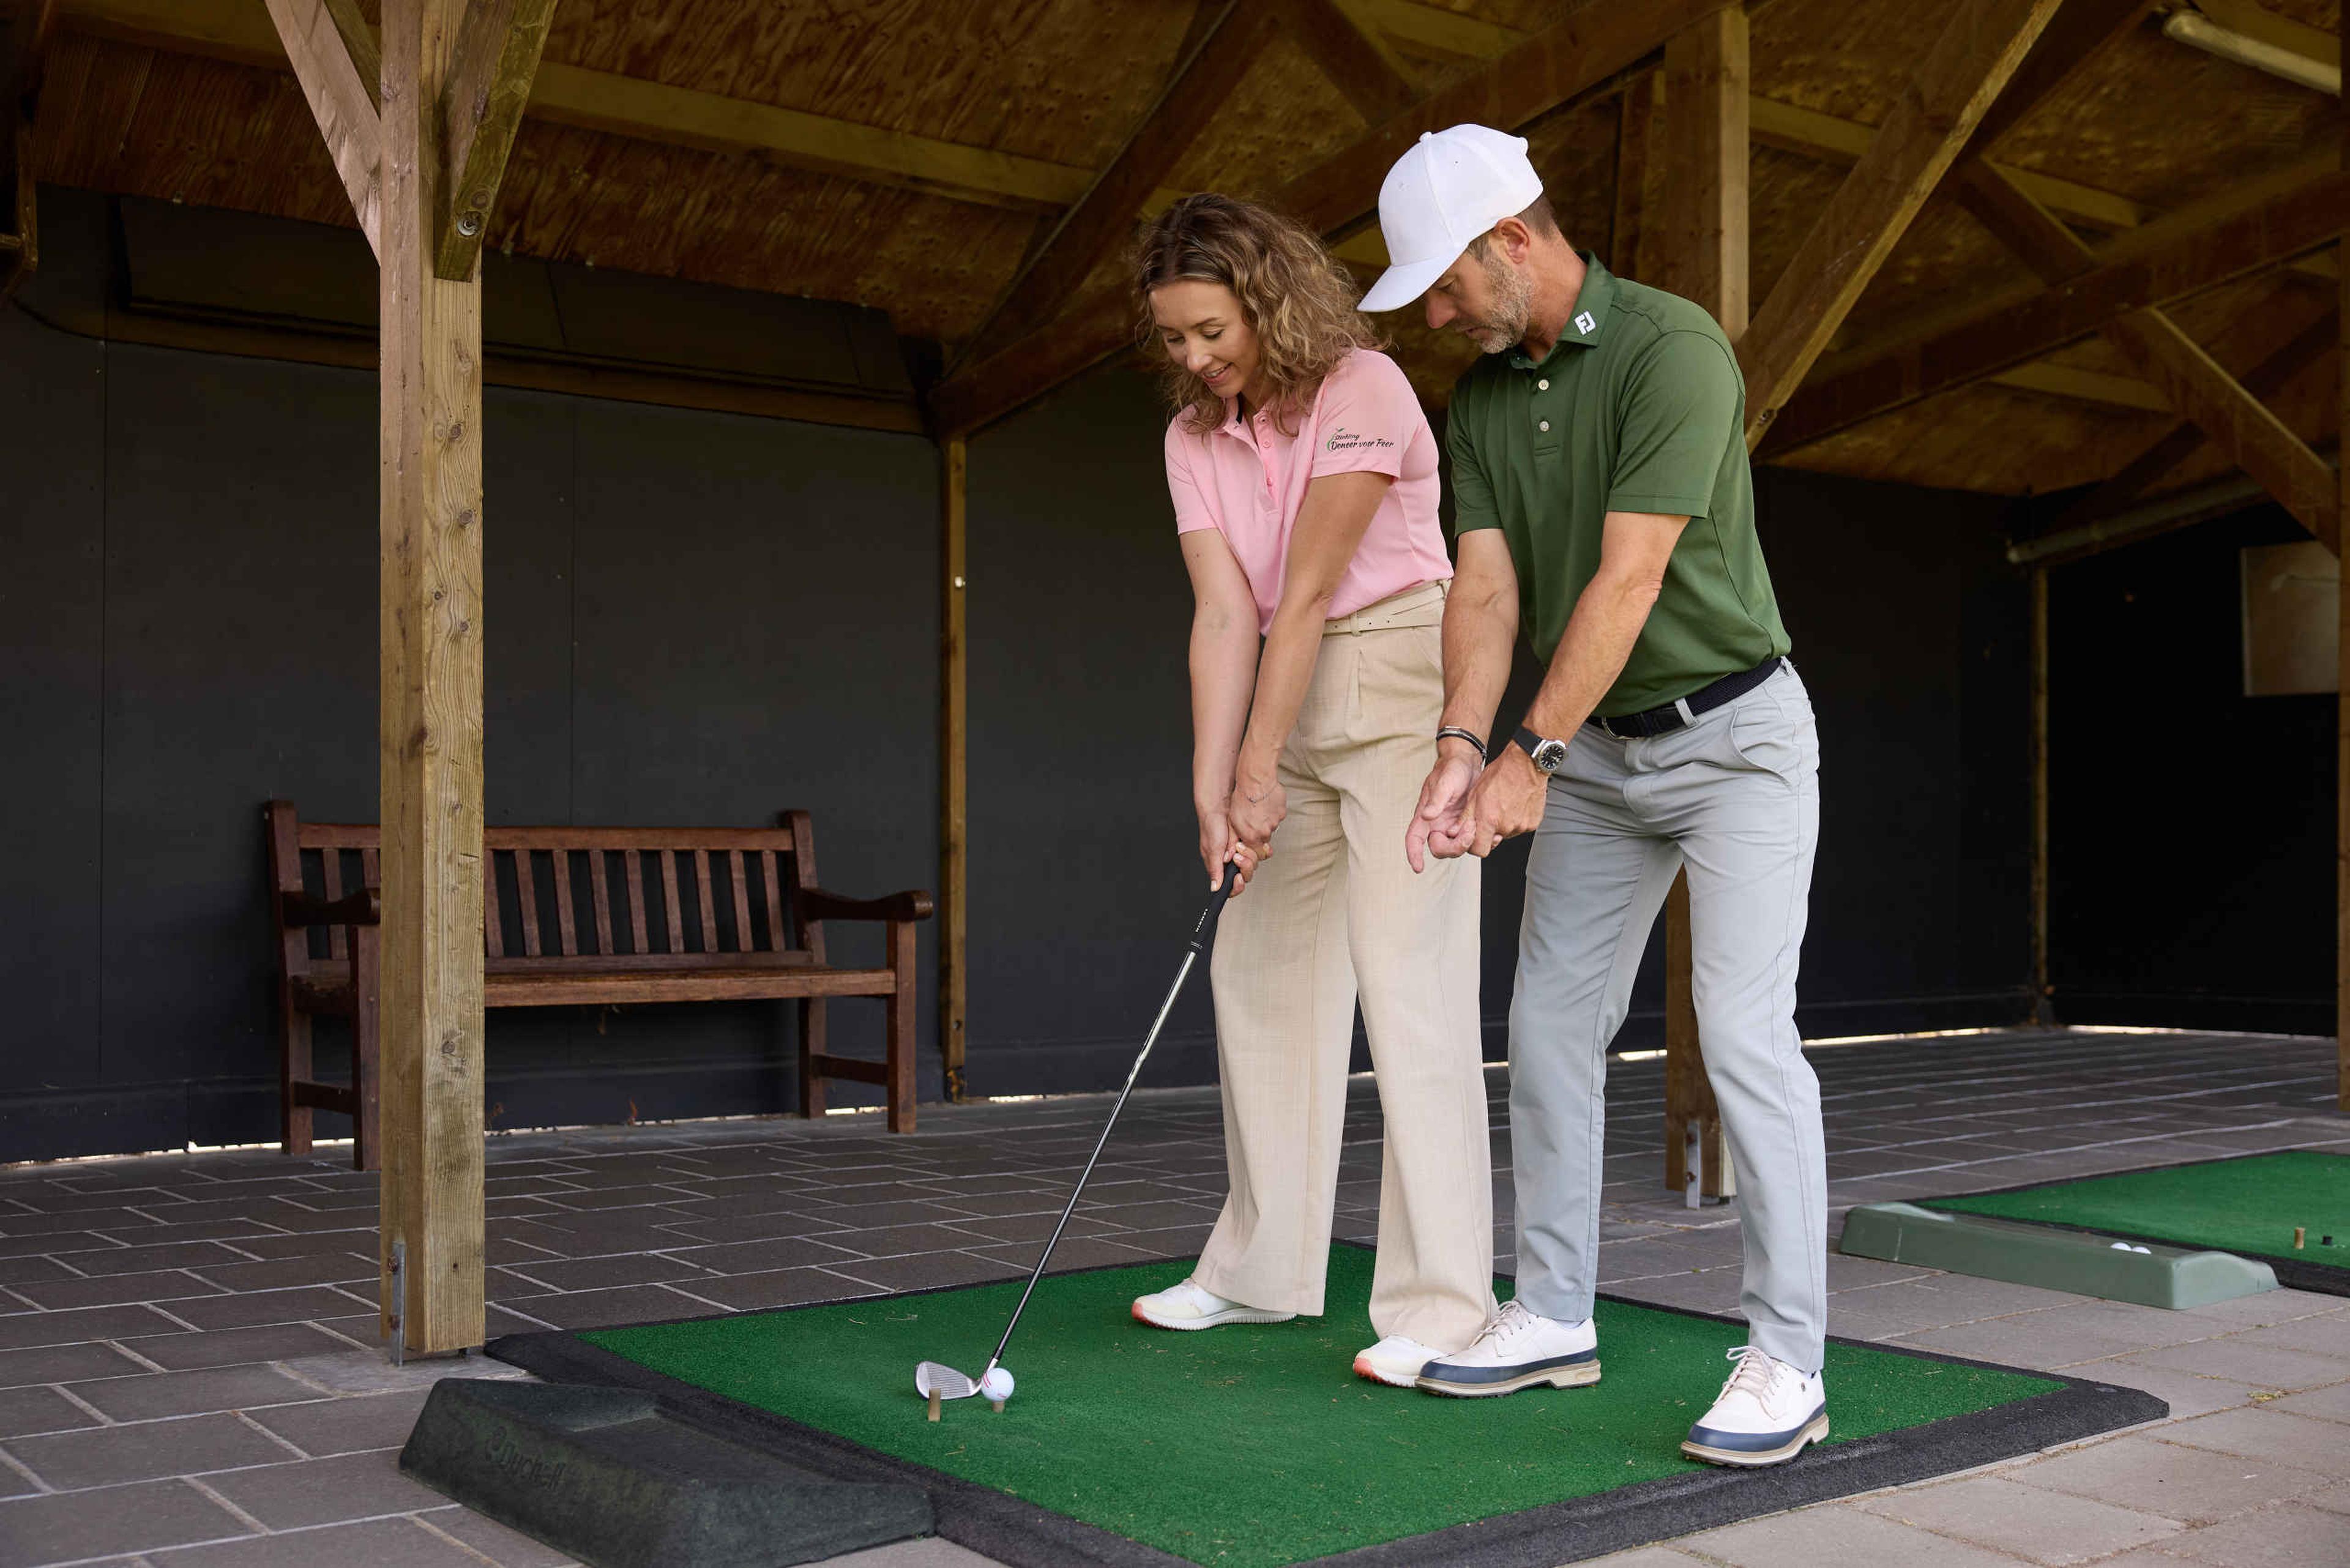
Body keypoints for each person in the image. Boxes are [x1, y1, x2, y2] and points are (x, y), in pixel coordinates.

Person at [1358, 127, 1830, 1466]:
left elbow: (1630, 579)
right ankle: (1556, 1312)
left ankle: (1789, 1356)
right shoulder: (1479, 401)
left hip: (1737, 739)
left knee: (1743, 1035)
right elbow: (1487, 587)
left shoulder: (1673, 349)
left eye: (1446, 283)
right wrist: (1463, 745)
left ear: (1513, 239)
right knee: (1550, 1027)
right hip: (1607, 755)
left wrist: (1529, 757)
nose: (1435, 315)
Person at [1125, 193, 1496, 1386]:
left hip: (1396, 676)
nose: (1194, 357)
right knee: (1261, 974)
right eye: (1174, 338)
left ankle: (1444, 1306)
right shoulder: (1193, 439)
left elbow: (1316, 589)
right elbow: (1224, 613)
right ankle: (1257, 1272)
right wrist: (1211, 791)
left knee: (1408, 983)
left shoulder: (1363, 388)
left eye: (1211, 330)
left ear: (1266, 301)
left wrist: (1255, 765)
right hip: (1282, 695)